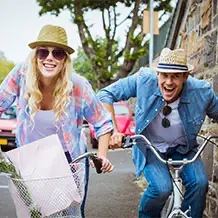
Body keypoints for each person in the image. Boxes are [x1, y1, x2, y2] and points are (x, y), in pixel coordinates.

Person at [0, 24, 114, 217]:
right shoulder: (21, 76)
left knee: (70, 215)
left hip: (68, 163)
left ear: (65, 60)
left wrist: (102, 156)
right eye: (43, 52)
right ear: (36, 56)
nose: (49, 58)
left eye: (58, 53)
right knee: (34, 214)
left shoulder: (78, 85)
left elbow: (103, 123)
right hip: (31, 162)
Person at [97, 47, 218, 218]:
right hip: (151, 148)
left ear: (185, 77)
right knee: (161, 188)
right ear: (158, 74)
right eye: (164, 75)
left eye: (175, 76)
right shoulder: (144, 80)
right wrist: (114, 131)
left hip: (184, 149)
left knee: (199, 184)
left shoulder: (202, 91)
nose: (169, 82)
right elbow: (105, 94)